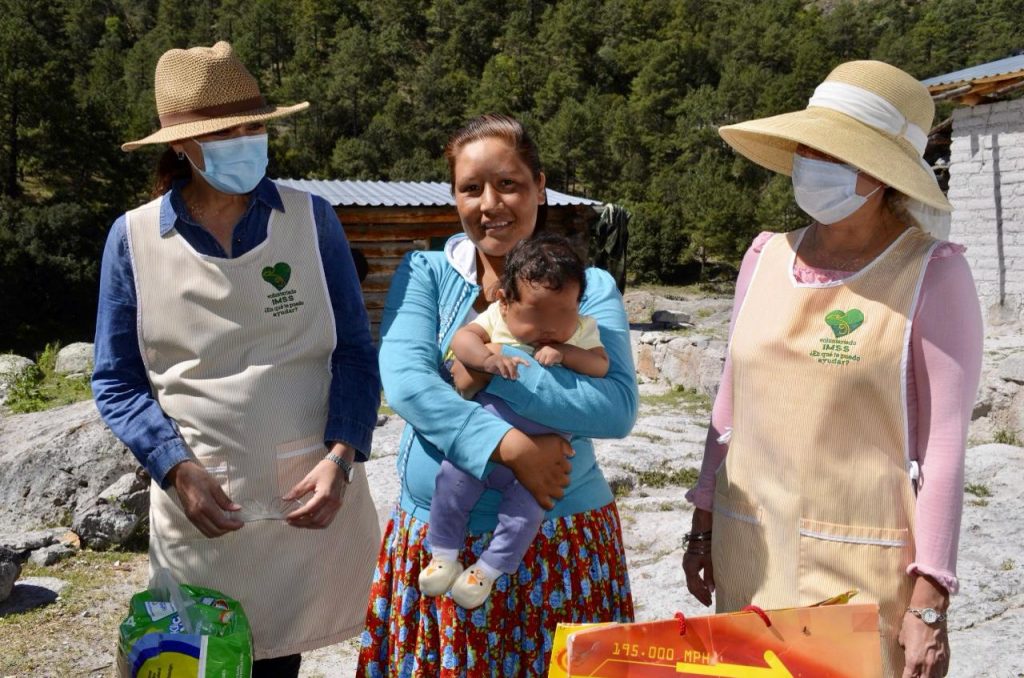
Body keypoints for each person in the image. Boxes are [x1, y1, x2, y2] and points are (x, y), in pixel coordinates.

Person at [681, 61, 983, 678]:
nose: (812, 161)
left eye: (835, 150)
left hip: (861, 572)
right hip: (752, 553)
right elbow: (729, 406)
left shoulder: (933, 273)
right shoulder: (764, 257)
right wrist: (703, 522)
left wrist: (930, 598)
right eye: (807, 146)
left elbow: (945, 446)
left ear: (886, 173)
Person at [92, 42, 381, 677]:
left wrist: (342, 456)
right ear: (180, 146)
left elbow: (356, 353)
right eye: (224, 132)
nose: (245, 142)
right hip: (200, 514)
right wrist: (175, 469)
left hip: (302, 502)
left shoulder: (312, 221)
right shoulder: (134, 240)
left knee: (278, 665)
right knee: (197, 660)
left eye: (253, 127)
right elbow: (116, 379)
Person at [357, 114, 638, 676]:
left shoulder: (590, 287)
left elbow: (615, 406)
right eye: (471, 188)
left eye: (508, 184)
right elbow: (408, 384)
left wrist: (494, 368)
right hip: (440, 540)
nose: (491, 203)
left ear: (539, 185)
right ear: (454, 197)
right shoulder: (426, 273)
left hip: (562, 542)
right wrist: (507, 445)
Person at [420, 233, 609, 610]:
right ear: (505, 303)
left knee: (526, 513)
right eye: (536, 315)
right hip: (484, 445)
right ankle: (443, 553)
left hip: (542, 461)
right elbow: (462, 340)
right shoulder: (494, 320)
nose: (550, 328)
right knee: (451, 485)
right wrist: (487, 359)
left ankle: (487, 571)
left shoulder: (582, 330)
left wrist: (569, 352)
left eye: (564, 314)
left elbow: (601, 365)